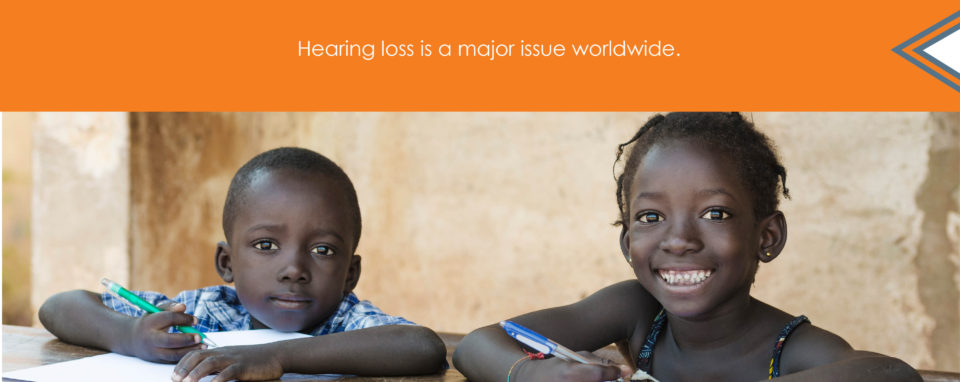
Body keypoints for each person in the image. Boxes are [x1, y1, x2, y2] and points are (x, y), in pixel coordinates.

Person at [452, 113, 921, 382]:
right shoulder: (638, 310)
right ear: (628, 243)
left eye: (715, 214)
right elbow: (477, 345)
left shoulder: (790, 348)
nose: (679, 240)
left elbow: (890, 373)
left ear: (767, 237)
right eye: (650, 217)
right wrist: (532, 375)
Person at [39, 147, 446, 382]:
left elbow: (422, 347)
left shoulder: (346, 321)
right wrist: (129, 335)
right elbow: (59, 307)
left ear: (350, 275)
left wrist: (276, 357)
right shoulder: (205, 313)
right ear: (227, 262)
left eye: (322, 250)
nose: (294, 269)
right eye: (266, 245)